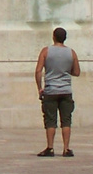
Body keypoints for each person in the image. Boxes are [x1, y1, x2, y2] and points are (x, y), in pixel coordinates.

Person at [35, 26, 81, 157]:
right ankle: (66, 148)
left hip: (51, 90)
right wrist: (66, 71)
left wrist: (39, 88)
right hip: (66, 90)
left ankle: (50, 147)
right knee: (66, 120)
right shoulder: (72, 53)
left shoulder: (46, 51)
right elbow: (77, 72)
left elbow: (38, 70)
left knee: (50, 120)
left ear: (53, 36)